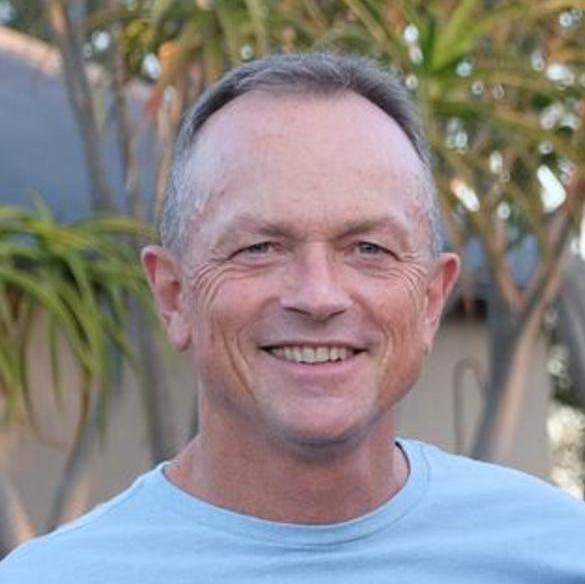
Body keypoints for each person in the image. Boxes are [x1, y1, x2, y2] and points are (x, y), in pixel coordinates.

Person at [1, 52, 584, 583]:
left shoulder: (558, 556)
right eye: (260, 248)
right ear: (174, 296)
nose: (318, 296)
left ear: (431, 301)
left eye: (369, 248)